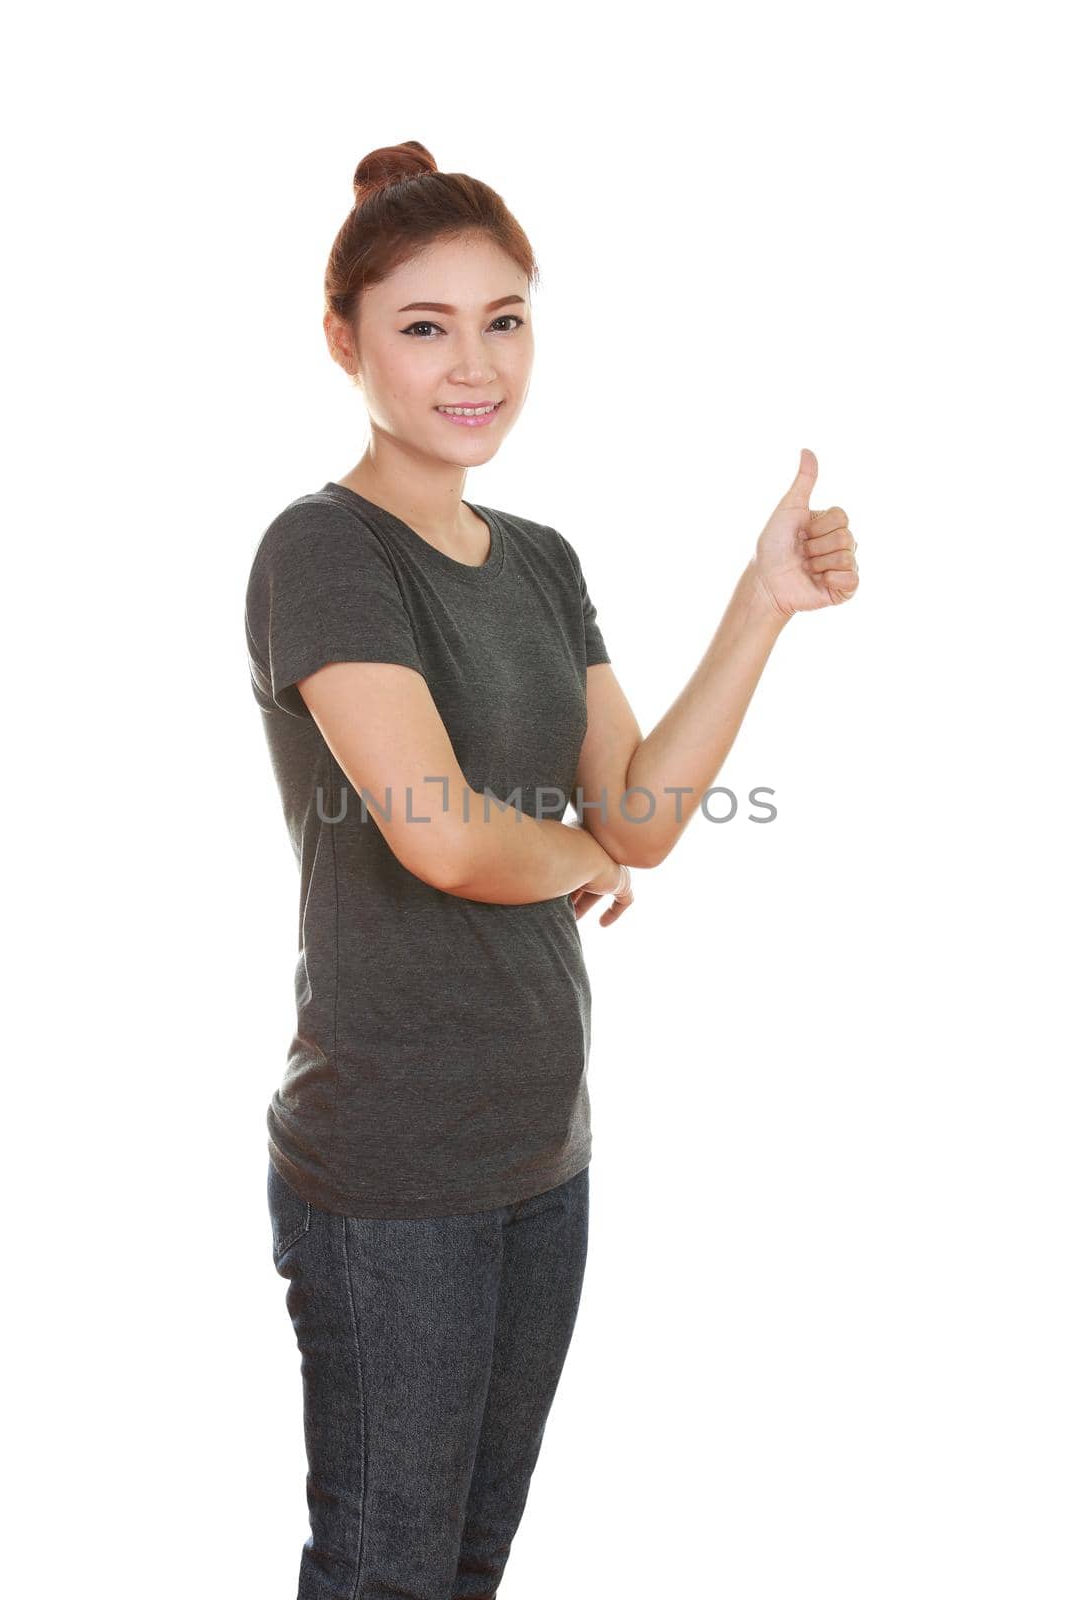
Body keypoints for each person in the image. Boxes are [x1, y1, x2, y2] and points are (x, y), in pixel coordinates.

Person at [244, 139, 860, 1600]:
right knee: (386, 1571)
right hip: (393, 1173)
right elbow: (443, 832)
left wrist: (762, 605)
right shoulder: (323, 551)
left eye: (504, 319)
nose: (476, 363)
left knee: (465, 1565)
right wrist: (576, 848)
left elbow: (639, 816)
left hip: (542, 1150)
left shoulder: (539, 557)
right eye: (426, 325)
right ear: (346, 342)